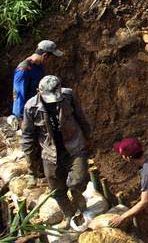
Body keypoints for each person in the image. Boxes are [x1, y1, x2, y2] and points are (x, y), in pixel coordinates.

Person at [21, 76, 92, 224]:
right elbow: (28, 136)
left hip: (74, 146)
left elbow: (80, 117)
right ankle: (69, 214)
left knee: (77, 181)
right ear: (38, 91)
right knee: (57, 190)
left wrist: (88, 137)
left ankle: (79, 203)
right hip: (50, 153)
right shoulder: (30, 107)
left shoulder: (68, 96)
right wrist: (31, 167)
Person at [12, 40, 63, 122]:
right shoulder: (23, 69)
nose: (51, 61)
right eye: (51, 58)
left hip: (37, 109)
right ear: (45, 56)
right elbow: (19, 96)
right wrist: (22, 120)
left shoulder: (39, 67)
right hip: (26, 114)